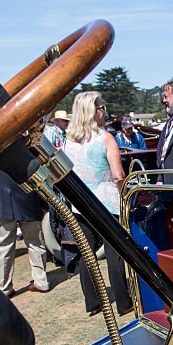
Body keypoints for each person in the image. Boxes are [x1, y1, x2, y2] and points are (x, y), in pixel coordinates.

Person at [64, 91, 131, 315]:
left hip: (80, 203)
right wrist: (125, 196)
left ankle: (93, 302)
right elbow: (118, 175)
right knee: (115, 253)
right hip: (107, 202)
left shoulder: (69, 141)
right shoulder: (105, 138)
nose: (105, 112)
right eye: (102, 108)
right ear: (94, 112)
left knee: (87, 252)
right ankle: (123, 302)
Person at [0, 165, 49, 297]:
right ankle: (41, 281)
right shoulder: (22, 147)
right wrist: (43, 203)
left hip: (2, 204)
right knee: (35, 243)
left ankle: (4, 287)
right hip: (28, 201)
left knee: (4, 248)